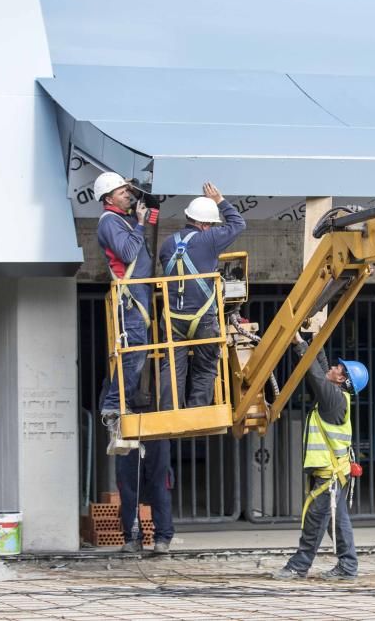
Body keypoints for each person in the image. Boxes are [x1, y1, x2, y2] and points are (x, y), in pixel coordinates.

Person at [274, 333, 369, 581]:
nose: (334, 368)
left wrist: (299, 345)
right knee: (337, 522)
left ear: (342, 380)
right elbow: (323, 366)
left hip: (330, 475)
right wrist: (315, 337)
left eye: (339, 368)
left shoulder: (334, 399)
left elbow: (315, 374)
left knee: (315, 519)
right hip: (334, 473)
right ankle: (348, 567)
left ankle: (299, 565)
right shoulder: (337, 396)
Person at [158, 182, 245, 410]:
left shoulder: (167, 245)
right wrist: (220, 200)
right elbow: (238, 223)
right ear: (206, 225)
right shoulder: (210, 238)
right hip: (203, 317)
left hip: (173, 318)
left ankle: (170, 410)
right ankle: (198, 411)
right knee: (205, 365)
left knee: (172, 366)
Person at [94, 171, 158, 452]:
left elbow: (151, 217)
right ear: (108, 198)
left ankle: (117, 406)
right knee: (133, 357)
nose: (128, 195)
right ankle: (113, 407)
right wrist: (141, 224)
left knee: (132, 357)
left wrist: (146, 205)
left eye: (127, 191)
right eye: (122, 192)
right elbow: (129, 253)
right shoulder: (109, 222)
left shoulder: (124, 219)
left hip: (137, 299)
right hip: (130, 300)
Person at [115, 441, 174, 554]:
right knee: (128, 490)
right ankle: (133, 538)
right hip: (129, 436)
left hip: (156, 433)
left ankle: (162, 539)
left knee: (160, 487)